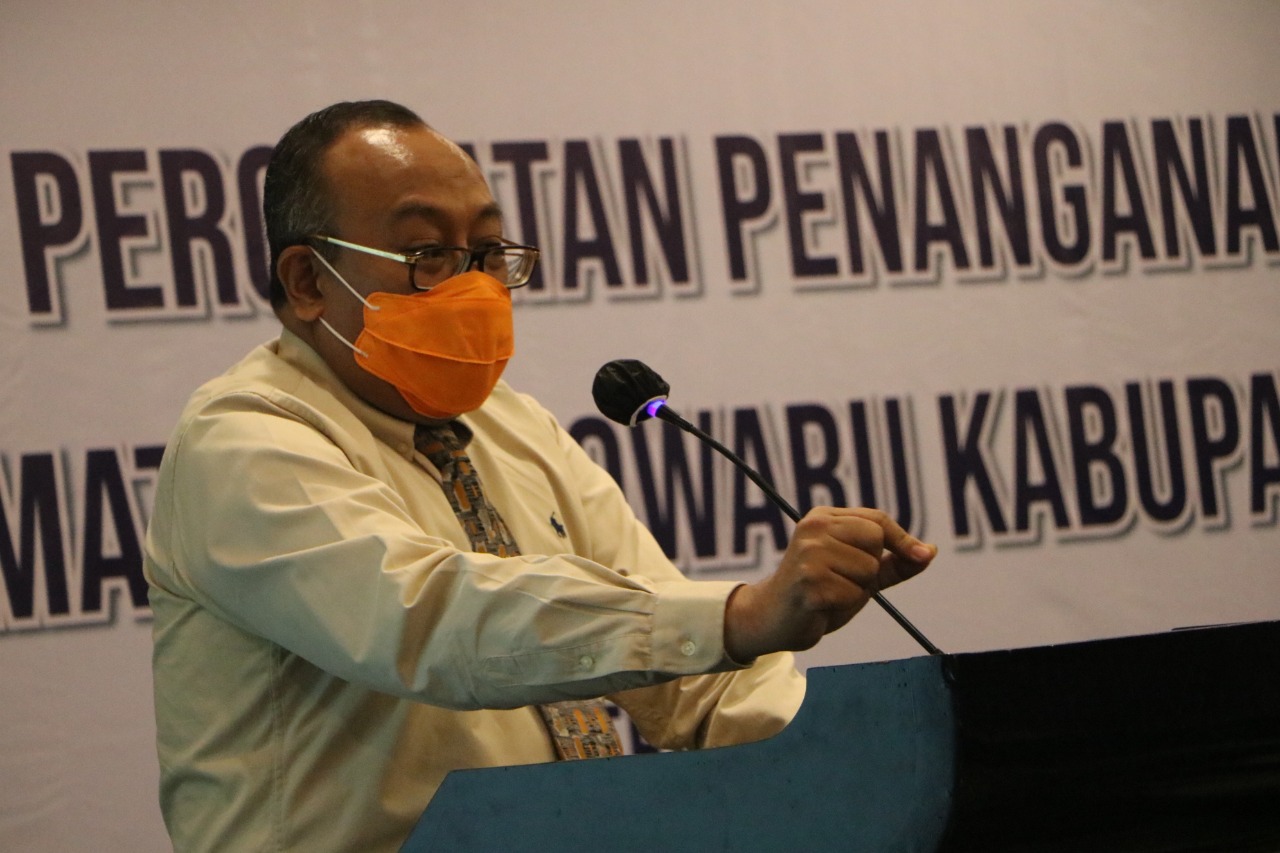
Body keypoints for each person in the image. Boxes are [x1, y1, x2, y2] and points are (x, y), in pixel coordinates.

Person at [143, 99, 937, 852]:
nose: (474, 286)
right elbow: (433, 622)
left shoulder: (510, 427)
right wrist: (739, 615)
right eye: (427, 255)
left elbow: (694, 675)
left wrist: (887, 766)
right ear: (309, 280)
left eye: (487, 253)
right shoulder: (243, 439)